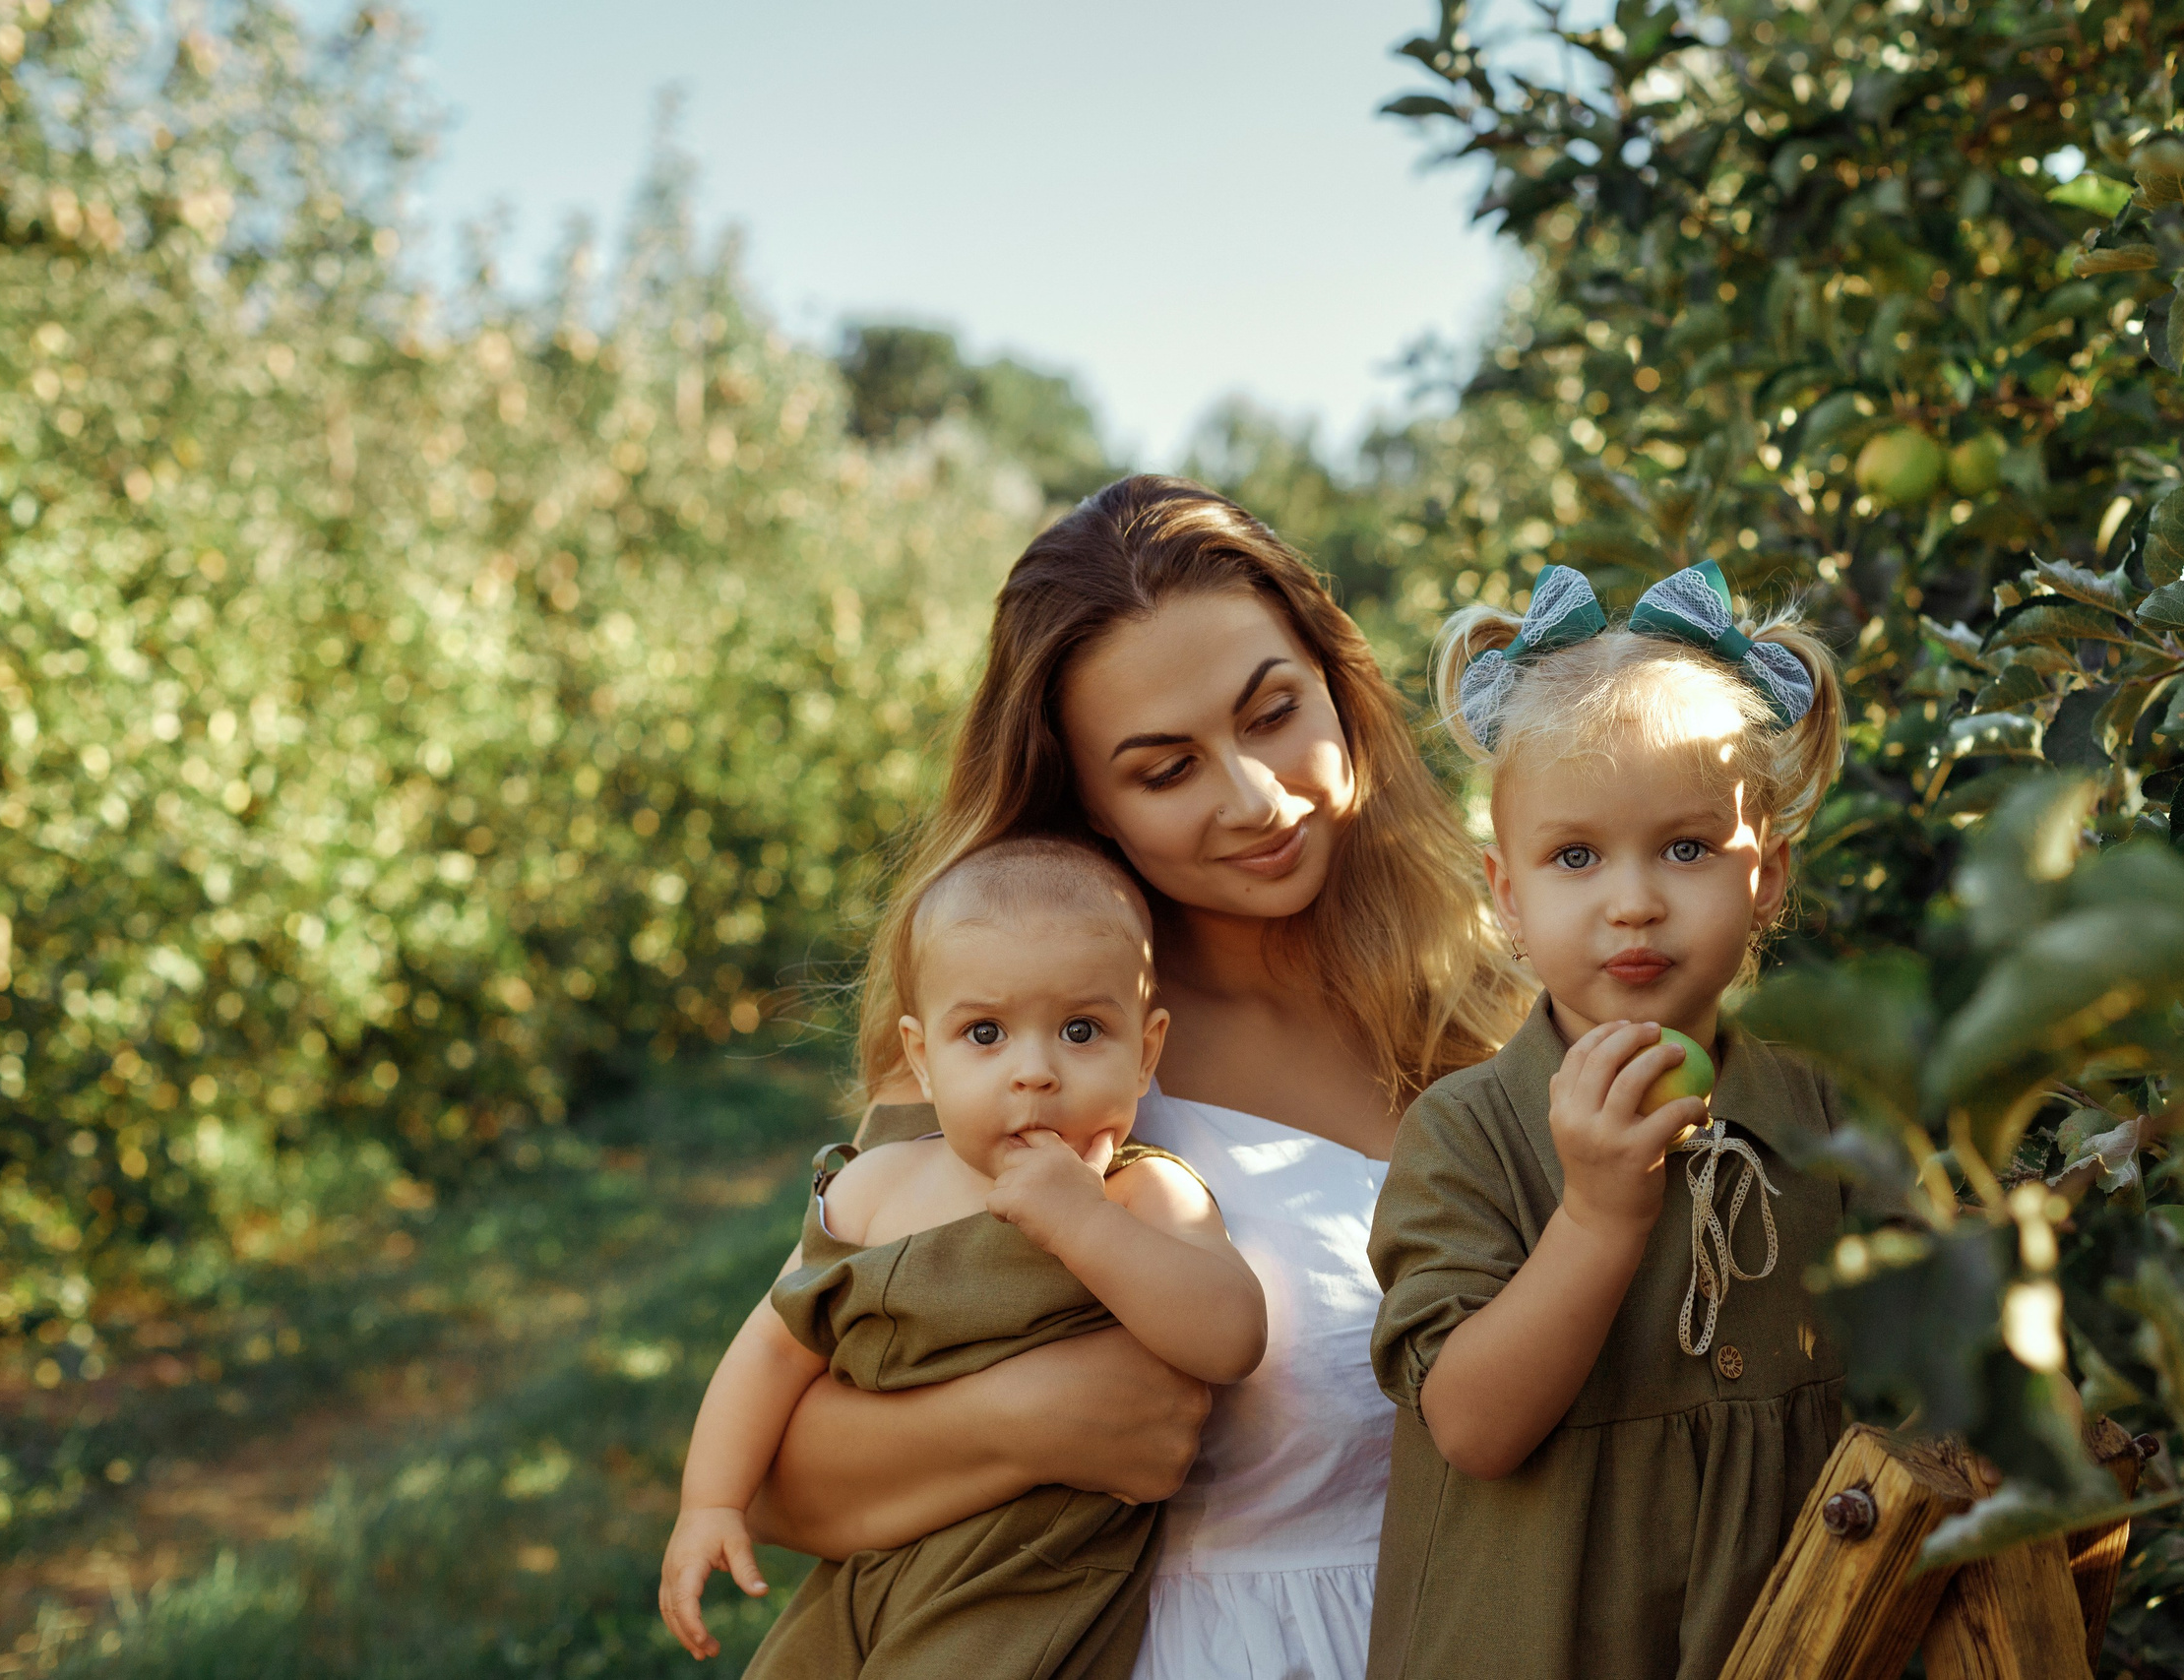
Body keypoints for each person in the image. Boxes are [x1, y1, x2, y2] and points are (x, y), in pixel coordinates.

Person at [745, 475, 1532, 1679]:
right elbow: (777, 1480)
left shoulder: (1498, 996)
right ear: (1089, 806)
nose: (1255, 796)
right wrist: (1028, 1418)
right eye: (1165, 771)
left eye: (1273, 713)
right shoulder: (1042, 1067)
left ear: (1338, 684)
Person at [1365, 560, 1851, 1680]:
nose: (1631, 899)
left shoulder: (1825, 1118)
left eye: (1686, 849)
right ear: (1507, 895)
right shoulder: (1469, 1133)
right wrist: (1592, 1218)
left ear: (1765, 876)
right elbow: (1475, 1429)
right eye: (1574, 857)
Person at [657, 838, 1266, 1677]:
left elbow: (1232, 1336)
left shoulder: (1142, 1196)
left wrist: (1080, 1225)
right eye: (985, 1032)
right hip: (870, 1565)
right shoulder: (876, 1189)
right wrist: (710, 1502)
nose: (1034, 1072)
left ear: (1146, 1051)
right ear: (922, 1057)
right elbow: (772, 1342)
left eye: (1081, 1029)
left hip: (1023, 1584)